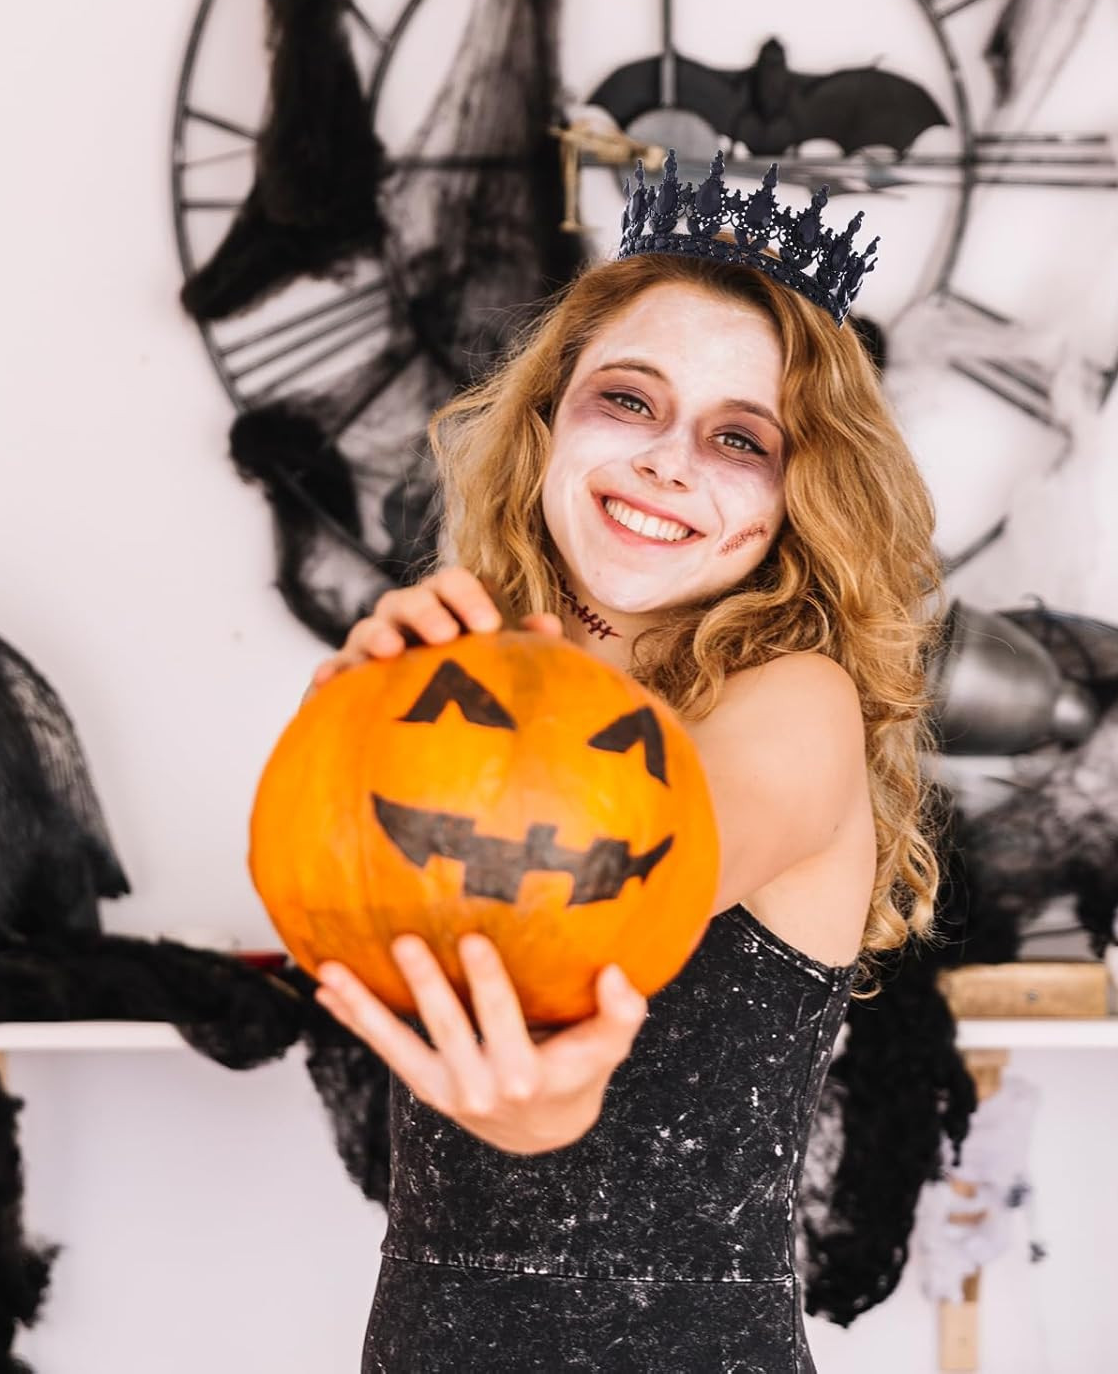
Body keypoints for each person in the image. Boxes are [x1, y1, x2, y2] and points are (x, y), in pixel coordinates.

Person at [307, 155, 943, 1372]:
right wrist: (348, 737)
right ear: (549, 420)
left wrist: (546, 1109)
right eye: (630, 400)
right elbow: (354, 885)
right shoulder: (470, 680)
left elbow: (621, 872)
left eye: (740, 437)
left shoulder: (796, 701)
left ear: (799, 493)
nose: (668, 461)